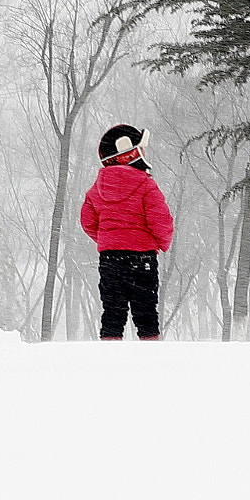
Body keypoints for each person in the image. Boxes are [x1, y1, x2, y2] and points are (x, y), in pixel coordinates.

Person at [79, 123, 174, 340]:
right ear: (129, 153)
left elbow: (87, 222)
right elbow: (161, 221)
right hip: (143, 258)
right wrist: (162, 242)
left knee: (113, 312)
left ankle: (109, 359)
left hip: (110, 259)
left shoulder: (96, 189)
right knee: (146, 312)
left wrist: (109, 239)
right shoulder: (147, 186)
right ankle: (150, 357)